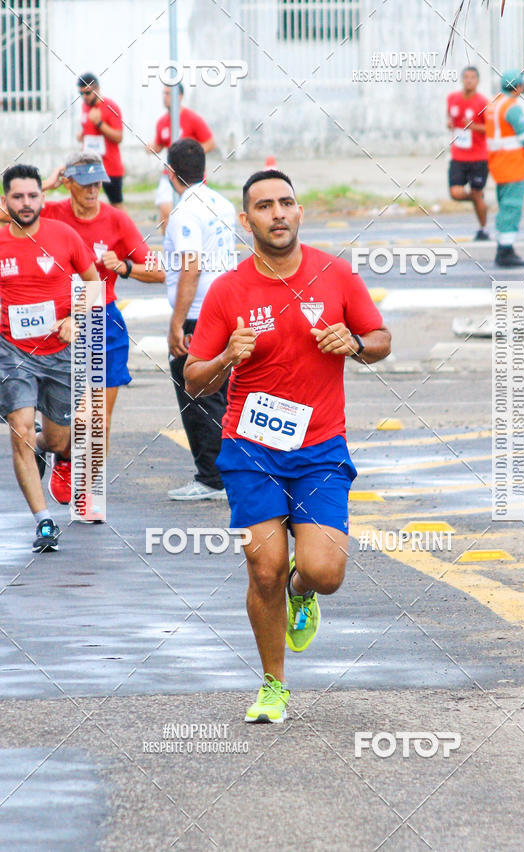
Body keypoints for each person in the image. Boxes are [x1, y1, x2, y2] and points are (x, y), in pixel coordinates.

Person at [184, 169, 391, 723]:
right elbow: (193, 379)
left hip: (320, 447)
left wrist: (355, 343)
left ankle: (304, 590)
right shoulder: (229, 291)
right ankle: (273, 686)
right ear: (245, 219)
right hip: (250, 450)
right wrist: (228, 356)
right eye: (264, 205)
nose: (277, 213)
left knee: (325, 573)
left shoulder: (337, 275)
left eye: (286, 203)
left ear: (299, 212)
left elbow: (381, 340)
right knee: (265, 568)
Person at [0, 164, 99, 552]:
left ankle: (52, 451)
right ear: (6, 201)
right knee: (20, 428)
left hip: (59, 353)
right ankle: (44, 521)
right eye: (18, 196)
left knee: (58, 438)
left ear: (43, 196)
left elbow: (94, 284)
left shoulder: (64, 236)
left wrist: (74, 318)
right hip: (11, 352)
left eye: (33, 195)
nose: (26, 203)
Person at [39, 151, 164, 449]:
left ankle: (87, 493)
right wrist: (44, 186)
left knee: (98, 422)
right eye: (85, 183)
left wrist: (125, 266)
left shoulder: (117, 220)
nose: (94, 190)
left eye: (98, 183)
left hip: (101, 318)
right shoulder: (51, 212)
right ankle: (51, 449)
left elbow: (158, 271)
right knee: (65, 424)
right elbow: (8, 211)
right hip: (58, 320)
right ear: (68, 183)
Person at [163, 138, 235, 501]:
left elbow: (190, 268)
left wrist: (177, 323)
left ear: (170, 174)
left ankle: (211, 478)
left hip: (198, 315)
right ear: (204, 170)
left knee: (196, 394)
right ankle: (228, 473)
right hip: (226, 310)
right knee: (221, 395)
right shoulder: (222, 203)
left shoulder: (184, 213)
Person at [485, 69, 524, 268]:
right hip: (513, 164)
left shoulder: (493, 104)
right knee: (512, 207)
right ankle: (506, 252)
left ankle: (503, 247)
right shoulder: (511, 107)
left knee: (504, 205)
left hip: (498, 162)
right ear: (518, 87)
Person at [146, 84, 216, 232]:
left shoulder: (193, 119)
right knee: (166, 212)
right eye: (163, 93)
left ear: (179, 96)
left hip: (190, 177)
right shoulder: (162, 122)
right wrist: (151, 148)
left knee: (193, 215)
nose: (164, 97)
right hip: (170, 174)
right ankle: (171, 249)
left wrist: (191, 155)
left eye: (168, 94)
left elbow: (210, 143)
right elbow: (159, 144)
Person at [447, 66, 489, 240]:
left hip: (478, 157)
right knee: (455, 193)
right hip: (458, 155)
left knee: (477, 193)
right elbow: (450, 118)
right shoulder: (452, 99)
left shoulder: (483, 103)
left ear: (478, 81)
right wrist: (449, 124)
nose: (469, 80)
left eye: (472, 77)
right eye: (465, 77)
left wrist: (472, 126)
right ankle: (476, 198)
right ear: (461, 79)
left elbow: (490, 128)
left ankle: (483, 229)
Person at [77, 73, 125, 208]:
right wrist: (82, 135)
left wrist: (99, 124)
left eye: (88, 93)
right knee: (86, 203)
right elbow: (89, 132)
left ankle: (127, 229)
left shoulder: (111, 107)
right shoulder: (85, 107)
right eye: (82, 94)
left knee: (116, 204)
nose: (85, 97)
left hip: (109, 166)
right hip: (89, 165)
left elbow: (118, 137)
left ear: (97, 90)